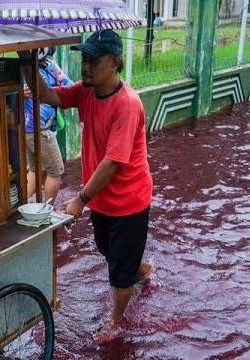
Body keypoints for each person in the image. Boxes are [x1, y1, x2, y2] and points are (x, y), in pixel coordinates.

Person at [22, 30, 154, 342]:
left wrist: (80, 198)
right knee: (108, 250)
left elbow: (112, 162)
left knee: (118, 273)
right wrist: (26, 62)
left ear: (115, 62)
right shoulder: (86, 92)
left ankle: (116, 321)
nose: (86, 65)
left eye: (93, 59)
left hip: (129, 201)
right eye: (85, 58)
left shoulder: (127, 104)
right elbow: (50, 96)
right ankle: (143, 269)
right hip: (102, 200)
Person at [24, 48, 73, 203]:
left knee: (35, 169)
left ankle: (22, 205)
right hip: (39, 130)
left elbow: (70, 86)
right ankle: (47, 210)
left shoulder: (49, 67)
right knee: (55, 170)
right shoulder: (25, 68)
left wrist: (48, 91)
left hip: (31, 129)